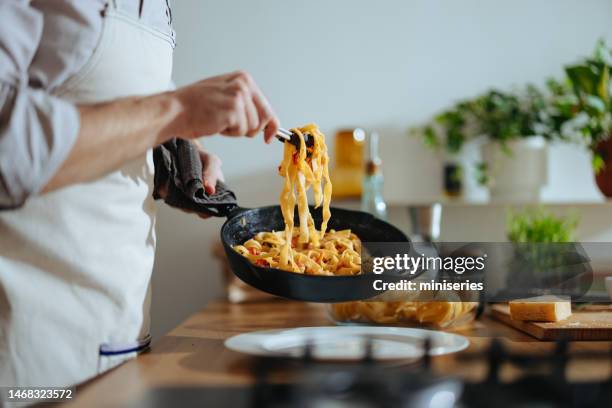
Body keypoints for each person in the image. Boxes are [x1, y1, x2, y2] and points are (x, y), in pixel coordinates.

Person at [0, 0, 279, 387]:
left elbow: (116, 118)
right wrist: (177, 110)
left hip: (121, 338)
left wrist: (177, 163)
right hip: (27, 351)